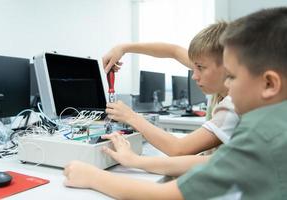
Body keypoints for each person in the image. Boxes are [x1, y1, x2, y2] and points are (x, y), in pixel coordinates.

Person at [64, 7, 287, 199]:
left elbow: (167, 195)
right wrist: (124, 47)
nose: (228, 85)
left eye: (231, 76)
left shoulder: (258, 136)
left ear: (269, 84)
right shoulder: (273, 122)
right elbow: (212, 164)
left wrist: (93, 176)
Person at [99, 22, 239, 176]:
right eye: (194, 67)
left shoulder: (234, 104)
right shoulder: (212, 65)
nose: (194, 75)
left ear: (228, 66)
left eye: (200, 67)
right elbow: (173, 51)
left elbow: (178, 149)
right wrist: (123, 48)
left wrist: (130, 117)